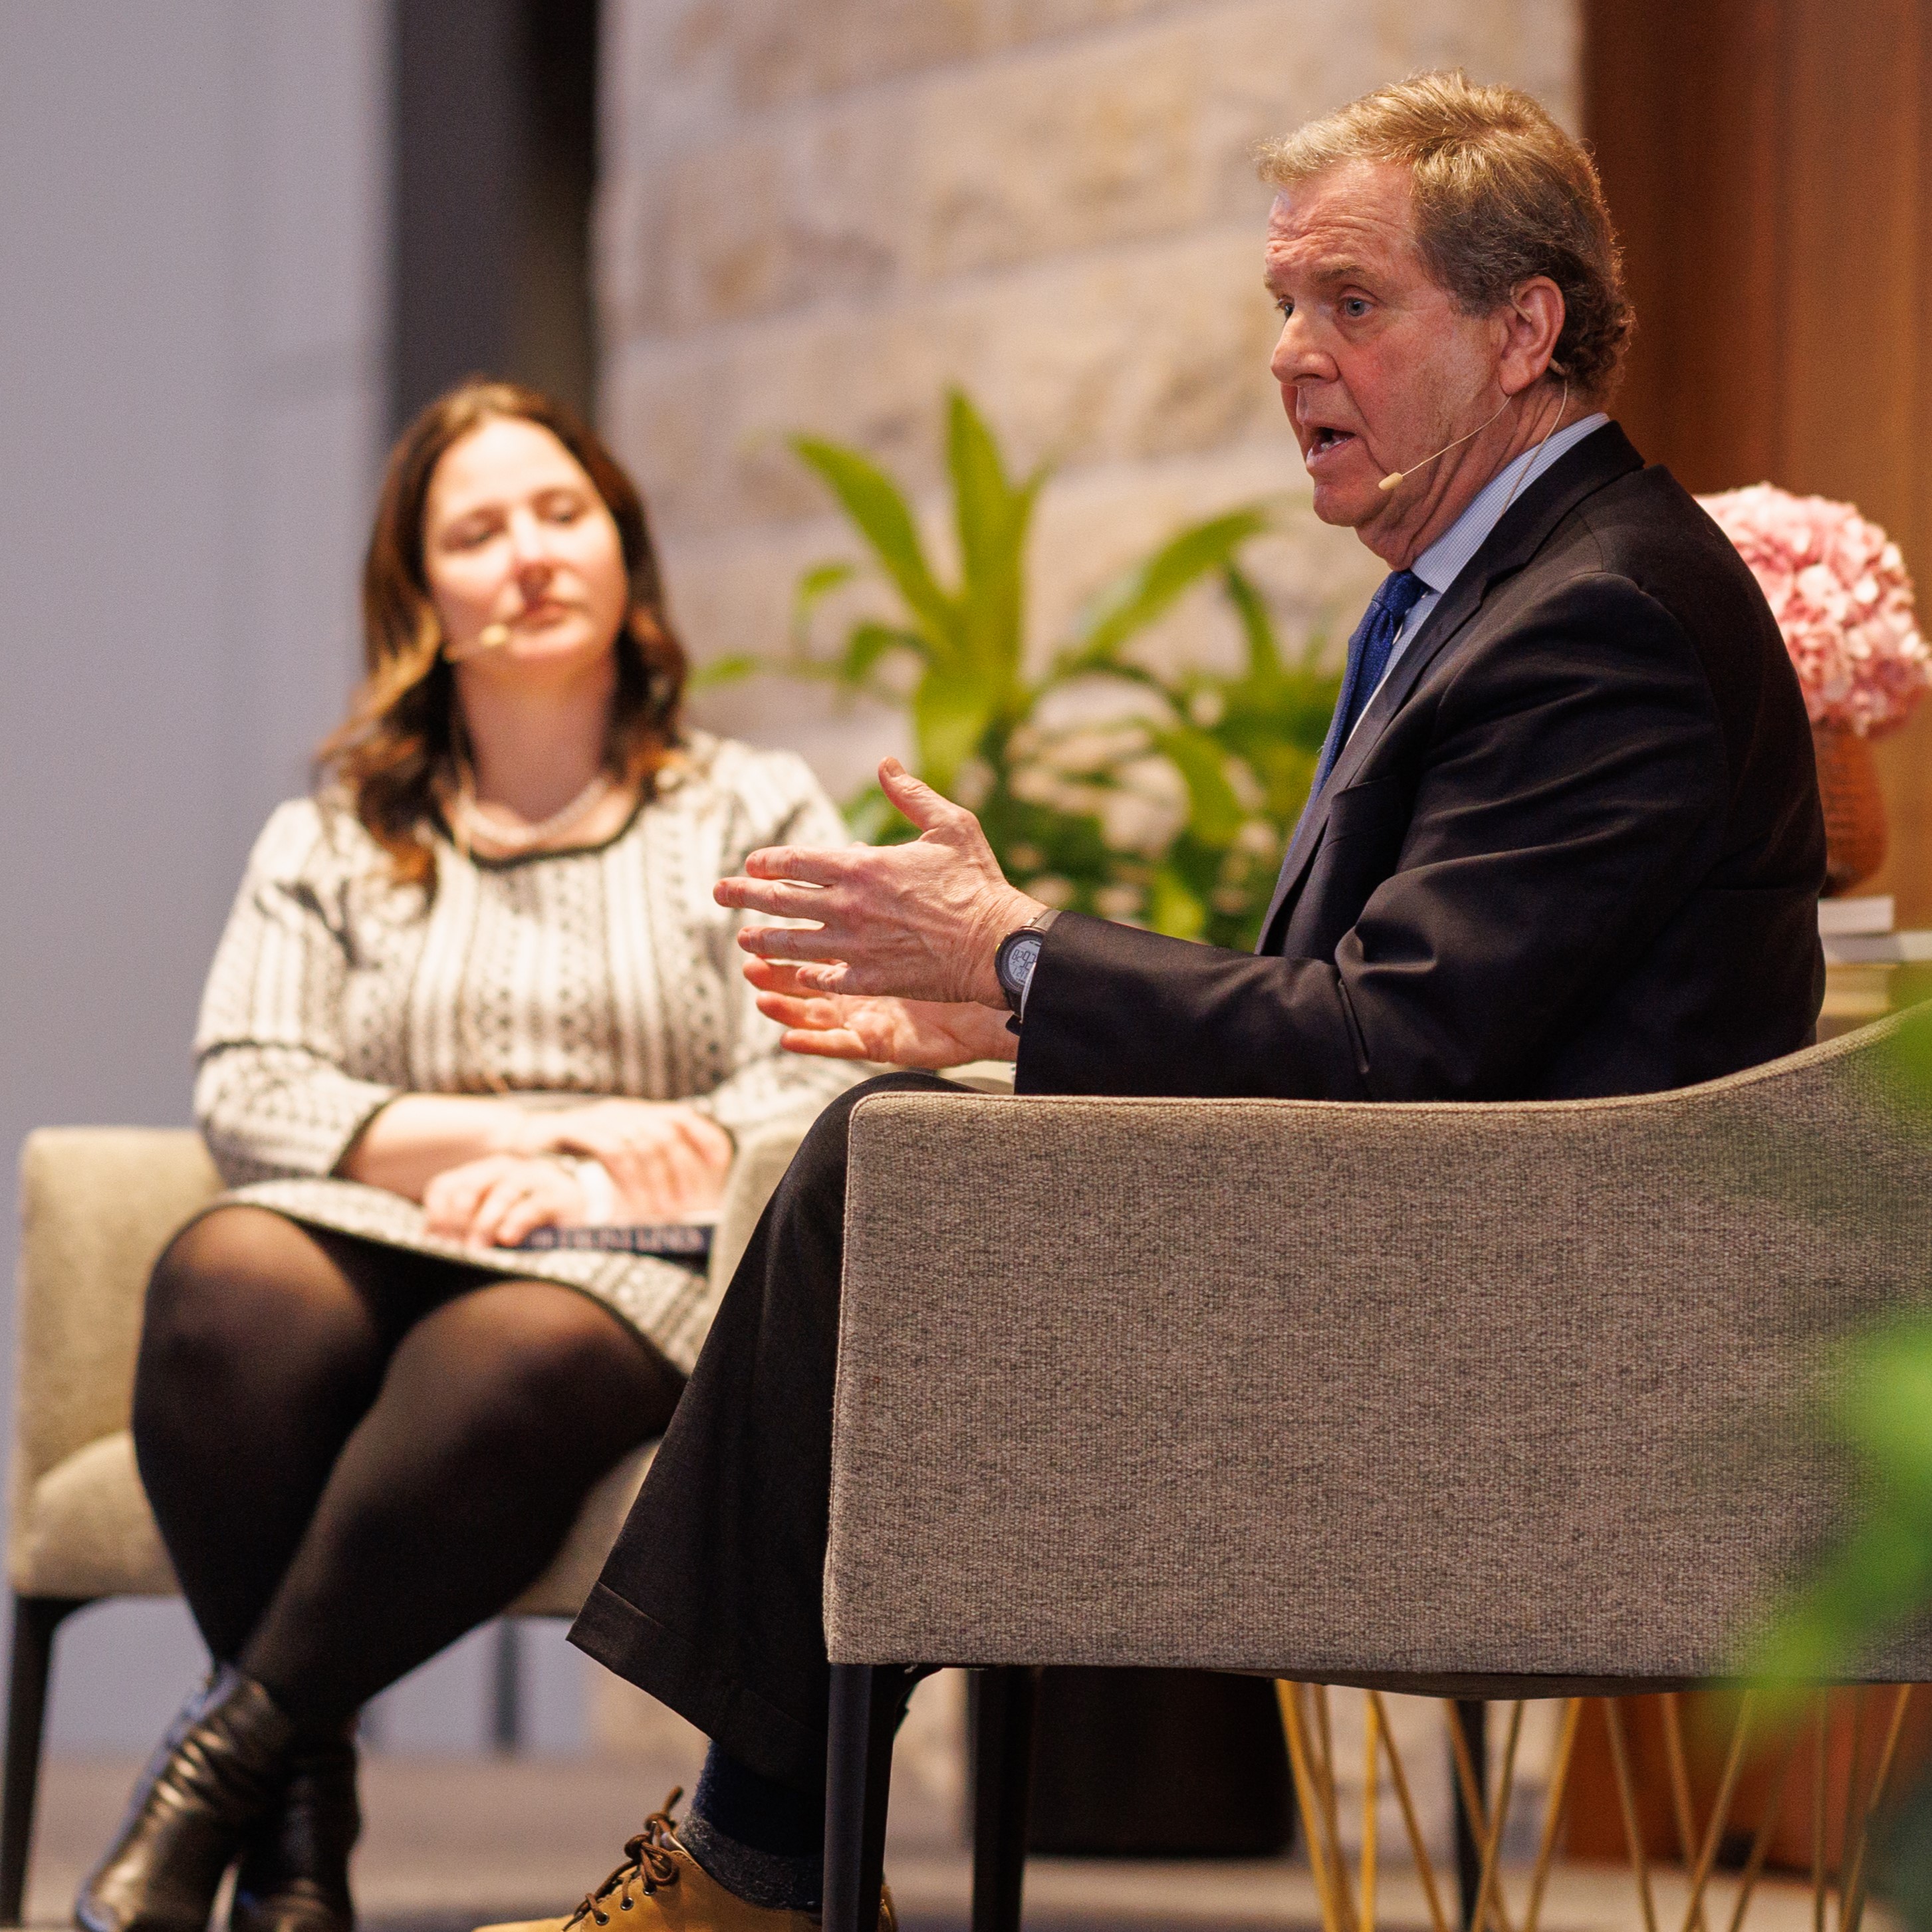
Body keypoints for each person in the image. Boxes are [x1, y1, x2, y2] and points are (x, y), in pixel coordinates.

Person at [487, 72, 1827, 1932]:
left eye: (1349, 303)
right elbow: (1381, 1023)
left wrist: (1020, 958)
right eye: (1281, 304)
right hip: (1450, 1277)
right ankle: (751, 1868)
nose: (1289, 356)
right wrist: (1009, 1009)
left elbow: (1392, 1048)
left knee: (886, 1179)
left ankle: (743, 1881)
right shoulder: (1494, 588)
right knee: (899, 1171)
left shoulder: (1600, 616)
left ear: (1524, 331)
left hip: (1536, 1374)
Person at [77, 382, 863, 1932]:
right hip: (402, 1226)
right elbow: (250, 1078)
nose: (530, 554)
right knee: (226, 1278)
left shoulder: (752, 805)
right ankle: (299, 1823)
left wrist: (595, 1185)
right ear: (420, 597)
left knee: (515, 1345)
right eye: (478, 531)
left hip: (634, 1265)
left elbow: (821, 1060)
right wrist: (524, 1135)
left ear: (624, 553)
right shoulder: (332, 834)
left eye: (562, 513)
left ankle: (222, 1767)